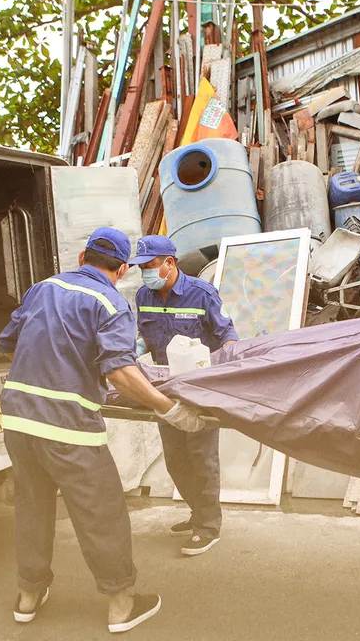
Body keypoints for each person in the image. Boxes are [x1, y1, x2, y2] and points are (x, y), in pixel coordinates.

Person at [0, 227, 204, 634]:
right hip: (69, 428)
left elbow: (9, 343)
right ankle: (121, 605)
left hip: (18, 421)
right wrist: (170, 409)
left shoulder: (41, 288)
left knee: (32, 507)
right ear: (123, 269)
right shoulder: (110, 303)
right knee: (102, 513)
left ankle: (28, 595)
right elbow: (121, 373)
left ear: (82, 258)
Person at [131, 235, 239, 557]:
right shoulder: (143, 295)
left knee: (202, 458)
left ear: (169, 263)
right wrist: (135, 348)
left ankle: (208, 526)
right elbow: (145, 335)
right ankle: (198, 513)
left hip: (199, 388)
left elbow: (227, 335)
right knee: (176, 460)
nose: (145, 273)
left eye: (150, 266)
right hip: (165, 389)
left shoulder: (201, 293)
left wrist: (228, 372)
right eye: (141, 268)